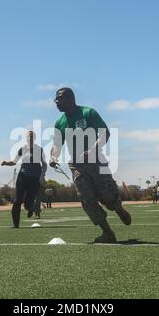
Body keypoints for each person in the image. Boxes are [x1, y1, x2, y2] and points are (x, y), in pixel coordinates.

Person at [50, 88, 131, 243]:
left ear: (70, 98)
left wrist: (93, 149)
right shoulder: (59, 122)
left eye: (59, 99)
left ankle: (118, 208)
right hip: (77, 165)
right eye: (56, 100)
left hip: (96, 160)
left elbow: (105, 133)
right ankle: (107, 232)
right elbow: (56, 145)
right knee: (86, 199)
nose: (56, 103)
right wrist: (53, 157)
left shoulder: (88, 113)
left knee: (107, 194)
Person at [1, 130, 47, 228]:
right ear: (26, 138)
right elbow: (14, 162)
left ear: (34, 138)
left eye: (31, 136)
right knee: (17, 200)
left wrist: (43, 174)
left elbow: (44, 163)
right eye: (28, 136)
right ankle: (15, 224)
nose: (30, 138)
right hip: (23, 176)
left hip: (35, 177)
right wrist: (6, 163)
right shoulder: (22, 149)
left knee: (28, 203)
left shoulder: (40, 149)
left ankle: (31, 208)